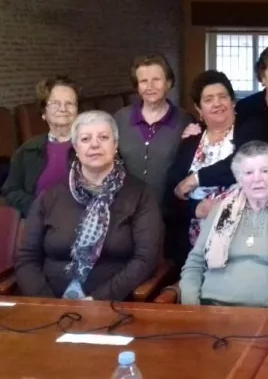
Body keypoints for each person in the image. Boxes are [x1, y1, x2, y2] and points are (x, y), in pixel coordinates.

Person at [15, 111, 162, 301]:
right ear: (76, 147)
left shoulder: (139, 194)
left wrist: (98, 300)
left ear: (115, 145)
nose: (95, 144)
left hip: (112, 303)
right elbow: (27, 258)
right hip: (50, 303)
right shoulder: (50, 196)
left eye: (103, 137)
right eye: (85, 139)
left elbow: (145, 259)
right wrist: (48, 303)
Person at [179, 141, 268, 309]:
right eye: (249, 172)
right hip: (213, 307)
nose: (257, 179)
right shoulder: (219, 211)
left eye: (265, 171)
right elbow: (195, 263)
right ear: (239, 179)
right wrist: (192, 306)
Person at [179, 46, 268, 200]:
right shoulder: (247, 106)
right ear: (262, 75)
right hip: (256, 189)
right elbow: (223, 121)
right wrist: (198, 126)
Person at [165, 70, 265, 267]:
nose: (217, 103)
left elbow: (245, 163)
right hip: (194, 253)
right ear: (198, 108)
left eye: (222, 97)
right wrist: (195, 209)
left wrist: (195, 179)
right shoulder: (190, 141)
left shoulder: (252, 129)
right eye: (208, 99)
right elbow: (172, 193)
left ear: (233, 102)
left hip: (245, 247)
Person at [114, 54, 193, 208]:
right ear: (137, 87)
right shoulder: (120, 119)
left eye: (156, 79)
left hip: (170, 211)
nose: (150, 86)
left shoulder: (185, 121)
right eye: (143, 81)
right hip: (127, 210)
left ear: (168, 83)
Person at [2, 76, 79, 217]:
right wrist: (37, 207)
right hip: (38, 222)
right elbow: (10, 190)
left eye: (69, 103)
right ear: (44, 113)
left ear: (77, 111)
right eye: (55, 103)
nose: (63, 109)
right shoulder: (27, 150)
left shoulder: (94, 146)